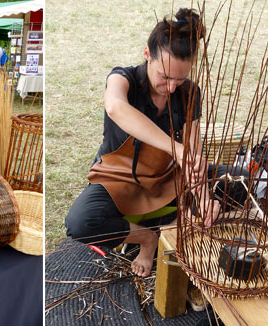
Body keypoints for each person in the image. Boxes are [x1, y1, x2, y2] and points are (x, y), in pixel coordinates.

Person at [65, 9, 231, 277]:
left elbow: (193, 154)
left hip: (167, 179)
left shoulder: (189, 93)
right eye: (165, 77)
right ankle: (147, 238)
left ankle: (177, 221)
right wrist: (174, 148)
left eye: (180, 79)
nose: (172, 87)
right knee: (81, 222)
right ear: (147, 54)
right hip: (118, 179)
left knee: (238, 181)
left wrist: (203, 198)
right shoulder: (123, 79)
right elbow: (116, 108)